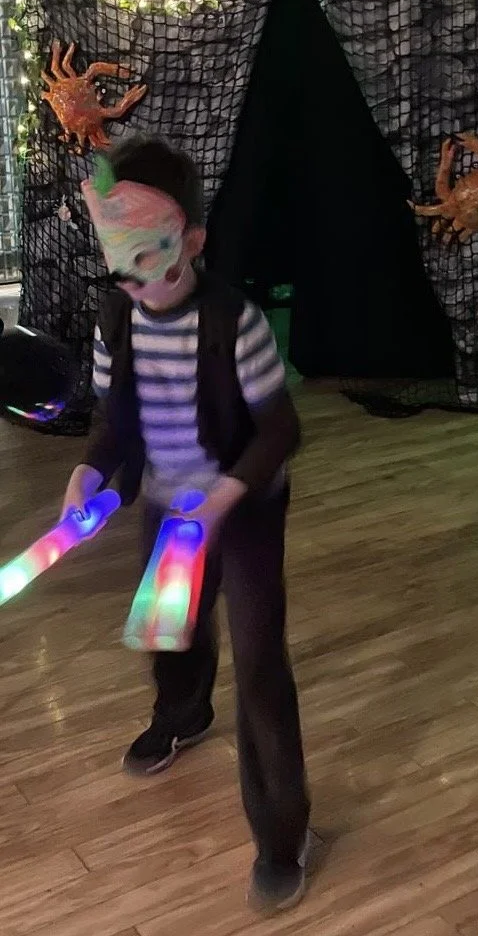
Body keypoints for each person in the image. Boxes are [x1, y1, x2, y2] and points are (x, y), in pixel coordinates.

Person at [60, 134, 310, 912]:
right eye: (120, 267)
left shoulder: (235, 322)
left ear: (192, 242)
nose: (135, 283)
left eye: (151, 260)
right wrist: (87, 480)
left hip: (241, 507)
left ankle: (283, 831)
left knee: (261, 664)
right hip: (169, 504)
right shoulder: (118, 315)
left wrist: (228, 496)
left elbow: (280, 431)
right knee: (172, 628)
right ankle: (181, 714)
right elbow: (115, 424)